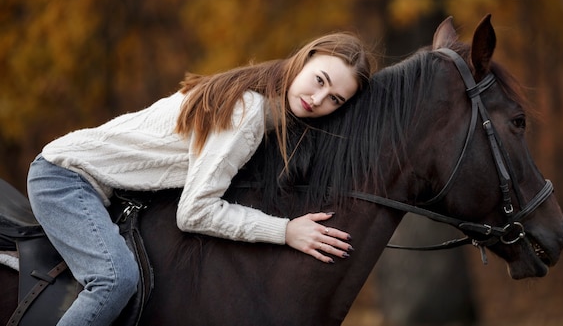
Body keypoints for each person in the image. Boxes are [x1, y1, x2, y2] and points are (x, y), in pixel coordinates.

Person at [26, 32, 374, 326]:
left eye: (334, 99)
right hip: (65, 177)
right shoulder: (248, 111)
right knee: (115, 280)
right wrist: (285, 231)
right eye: (319, 80)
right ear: (304, 59)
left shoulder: (260, 98)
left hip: (98, 186)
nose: (317, 99)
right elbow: (194, 212)